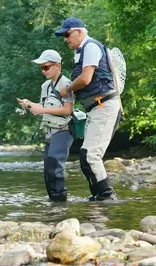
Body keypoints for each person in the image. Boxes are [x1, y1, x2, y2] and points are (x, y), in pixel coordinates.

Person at [55, 18, 122, 201]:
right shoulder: (81, 52)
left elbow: (85, 79)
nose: (65, 39)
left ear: (79, 32)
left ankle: (106, 197)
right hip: (96, 108)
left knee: (90, 155)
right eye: (64, 36)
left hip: (104, 106)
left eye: (67, 34)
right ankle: (98, 196)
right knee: (85, 157)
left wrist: (67, 89)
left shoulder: (90, 47)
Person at [17, 50, 74, 202]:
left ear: (57, 66)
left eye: (46, 67)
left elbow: (68, 110)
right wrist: (30, 104)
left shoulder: (67, 84)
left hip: (64, 130)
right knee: (48, 171)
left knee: (55, 168)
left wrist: (42, 109)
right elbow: (43, 106)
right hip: (49, 132)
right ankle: (54, 205)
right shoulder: (45, 86)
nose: (43, 71)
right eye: (41, 68)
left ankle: (61, 205)